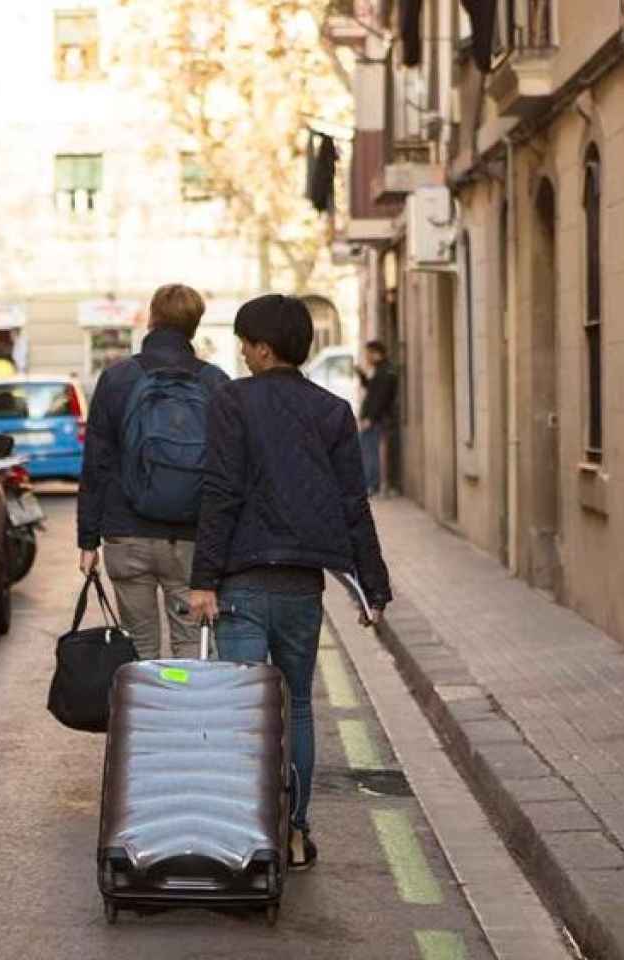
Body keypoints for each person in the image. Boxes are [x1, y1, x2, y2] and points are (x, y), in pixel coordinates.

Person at [187, 294, 393, 872]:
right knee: (297, 707)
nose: (243, 355)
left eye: (246, 344)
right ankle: (295, 833)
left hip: (243, 584)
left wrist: (203, 579)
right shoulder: (331, 411)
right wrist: (372, 587)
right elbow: (354, 505)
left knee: (245, 712)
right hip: (303, 587)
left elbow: (220, 492)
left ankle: (248, 838)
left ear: (263, 347)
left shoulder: (232, 401)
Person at [78, 284, 231, 659]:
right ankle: (186, 717)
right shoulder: (215, 383)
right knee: (189, 647)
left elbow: (96, 463)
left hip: (126, 535)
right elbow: (229, 473)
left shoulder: (117, 379)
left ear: (151, 319)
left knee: (140, 649)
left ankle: (145, 718)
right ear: (194, 327)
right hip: (191, 542)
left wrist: (87, 541)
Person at [357, 340, 397, 496]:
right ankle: (373, 484)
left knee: (370, 451)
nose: (366, 357)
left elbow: (380, 398)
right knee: (368, 450)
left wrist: (370, 419)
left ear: (375, 353)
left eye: (368, 354)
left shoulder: (385, 372)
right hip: (374, 419)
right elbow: (372, 390)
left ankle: (372, 485)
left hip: (376, 420)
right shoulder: (380, 370)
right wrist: (362, 375)